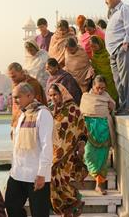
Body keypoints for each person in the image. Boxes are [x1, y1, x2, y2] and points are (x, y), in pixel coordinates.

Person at [5, 83, 53, 217]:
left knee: (39, 213)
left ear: (30, 95)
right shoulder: (21, 115)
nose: (15, 100)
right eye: (13, 97)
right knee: (11, 206)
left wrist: (42, 173)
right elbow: (17, 147)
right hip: (18, 173)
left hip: (36, 175)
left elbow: (46, 145)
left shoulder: (43, 114)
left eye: (18, 97)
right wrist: (13, 169)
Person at [48, 83, 88, 216]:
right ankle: (68, 207)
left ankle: (72, 203)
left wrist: (81, 146)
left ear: (62, 93)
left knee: (60, 179)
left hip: (68, 153)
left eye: (55, 94)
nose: (53, 98)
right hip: (54, 153)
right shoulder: (51, 110)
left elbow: (82, 129)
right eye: (51, 95)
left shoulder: (73, 109)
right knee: (54, 180)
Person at [80, 75, 116, 195]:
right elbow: (83, 113)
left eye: (103, 88)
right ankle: (91, 175)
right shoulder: (86, 97)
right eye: (98, 88)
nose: (100, 91)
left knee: (102, 160)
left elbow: (112, 106)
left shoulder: (106, 97)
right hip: (90, 131)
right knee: (89, 155)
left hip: (104, 130)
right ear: (93, 86)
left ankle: (99, 185)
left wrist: (111, 107)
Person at [105, 0, 129, 115]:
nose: (105, 1)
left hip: (122, 48)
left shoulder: (125, 8)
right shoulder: (113, 13)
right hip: (113, 51)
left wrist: (126, 42)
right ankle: (123, 105)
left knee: (127, 79)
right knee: (118, 81)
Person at [7, 62, 47, 128]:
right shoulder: (15, 84)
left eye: (14, 76)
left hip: (31, 122)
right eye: (10, 77)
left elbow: (36, 105)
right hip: (17, 121)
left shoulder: (33, 84)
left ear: (21, 72)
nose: (12, 79)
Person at [90, 35, 119, 103]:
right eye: (91, 46)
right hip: (100, 81)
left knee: (113, 93)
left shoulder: (108, 54)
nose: (93, 48)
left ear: (100, 44)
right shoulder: (94, 56)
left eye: (94, 46)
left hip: (111, 79)